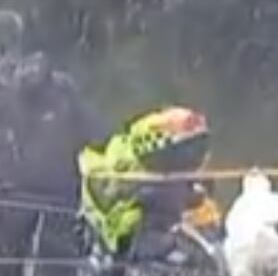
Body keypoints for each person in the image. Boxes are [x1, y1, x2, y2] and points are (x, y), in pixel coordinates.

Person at [0, 10, 114, 276]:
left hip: (12, 195)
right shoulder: (61, 86)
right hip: (61, 191)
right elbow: (98, 133)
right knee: (63, 273)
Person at [78, 106, 212, 263]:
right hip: (124, 238)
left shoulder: (165, 170)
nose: (196, 156)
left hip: (142, 226)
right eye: (191, 150)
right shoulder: (136, 175)